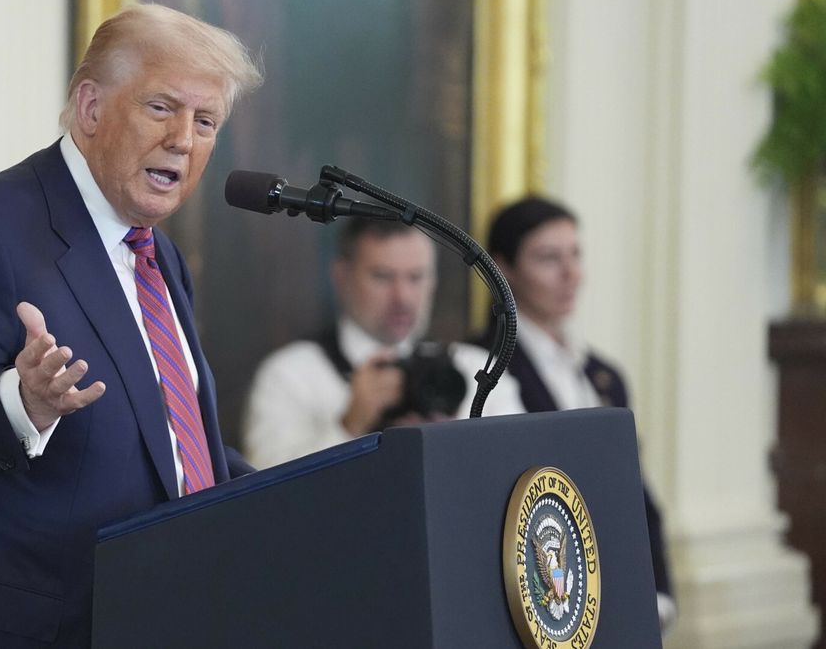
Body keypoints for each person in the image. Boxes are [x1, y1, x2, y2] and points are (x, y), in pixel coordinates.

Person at [0, 4, 262, 648]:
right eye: (161, 107)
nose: (184, 139)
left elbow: (169, 446)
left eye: (205, 121)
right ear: (91, 107)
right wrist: (22, 403)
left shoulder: (158, 257)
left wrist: (305, 491)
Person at [483, 195, 676, 630]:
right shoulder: (483, 367)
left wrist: (658, 593)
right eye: (549, 258)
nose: (571, 274)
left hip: (613, 595)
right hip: (536, 601)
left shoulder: (603, 374)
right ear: (504, 267)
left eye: (575, 255)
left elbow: (633, 492)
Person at [242, 219, 524, 469]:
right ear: (342, 277)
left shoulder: (478, 371)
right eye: (382, 277)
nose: (403, 297)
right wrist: (349, 426)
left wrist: (453, 441)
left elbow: (522, 473)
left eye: (416, 277)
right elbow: (263, 493)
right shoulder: (290, 376)